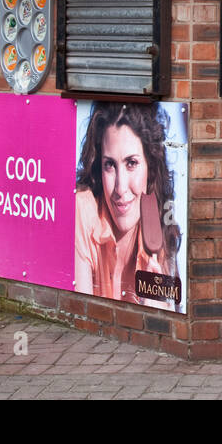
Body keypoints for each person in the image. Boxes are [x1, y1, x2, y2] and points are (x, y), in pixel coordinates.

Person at [74, 102, 180, 311]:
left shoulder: (161, 226)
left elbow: (171, 324)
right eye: (110, 165)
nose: (120, 188)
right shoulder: (82, 209)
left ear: (150, 168)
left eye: (131, 163)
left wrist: (156, 311)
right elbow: (82, 317)